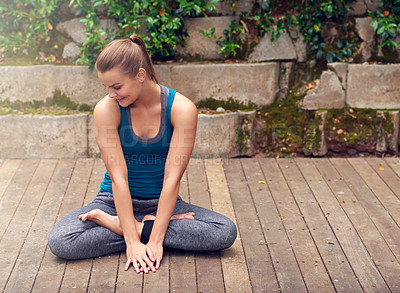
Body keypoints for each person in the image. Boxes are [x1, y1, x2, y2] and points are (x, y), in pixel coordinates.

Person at [48, 34, 237, 274]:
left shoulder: (182, 109)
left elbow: (172, 178)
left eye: (116, 86)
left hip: (164, 203)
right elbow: (119, 178)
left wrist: (154, 238)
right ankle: (135, 228)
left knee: (224, 231)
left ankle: (127, 227)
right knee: (62, 240)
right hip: (112, 202)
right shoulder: (106, 109)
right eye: (106, 87)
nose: (111, 94)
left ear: (140, 75)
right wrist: (132, 242)